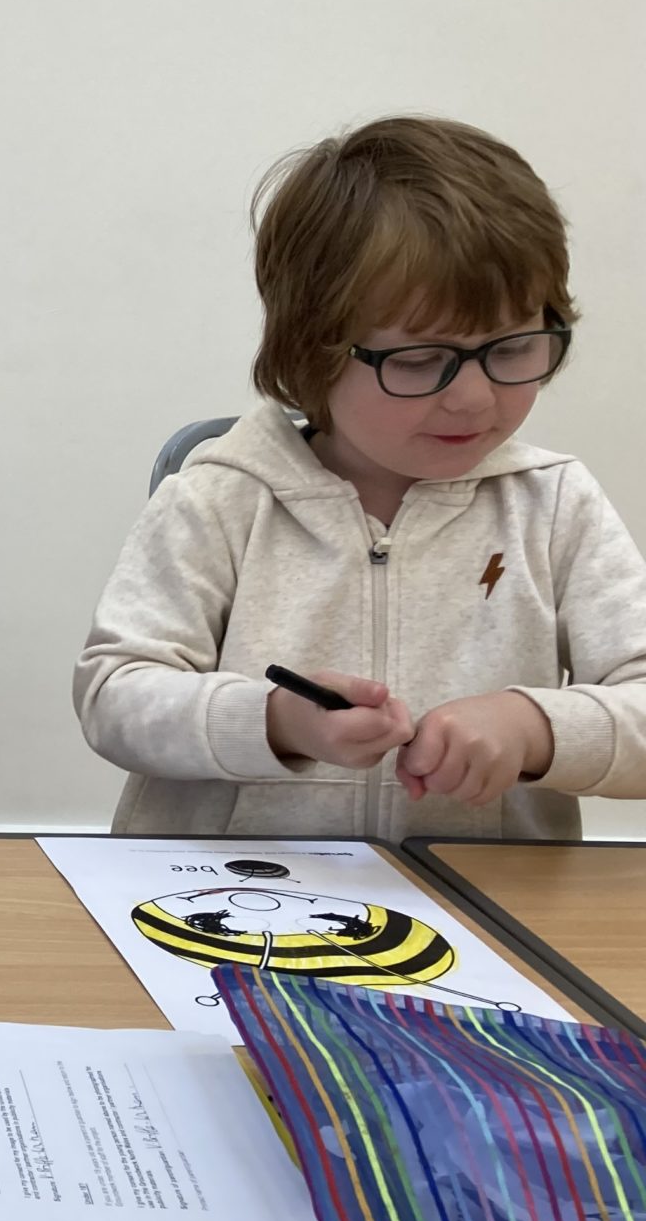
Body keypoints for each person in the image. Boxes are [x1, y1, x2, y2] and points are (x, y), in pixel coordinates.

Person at [75, 116, 646, 839]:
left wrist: (534, 725)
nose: (473, 396)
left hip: (486, 909)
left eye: (512, 348)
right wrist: (274, 722)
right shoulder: (221, 498)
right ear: (312, 351)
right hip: (226, 902)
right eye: (416, 361)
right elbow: (113, 696)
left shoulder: (554, 505)